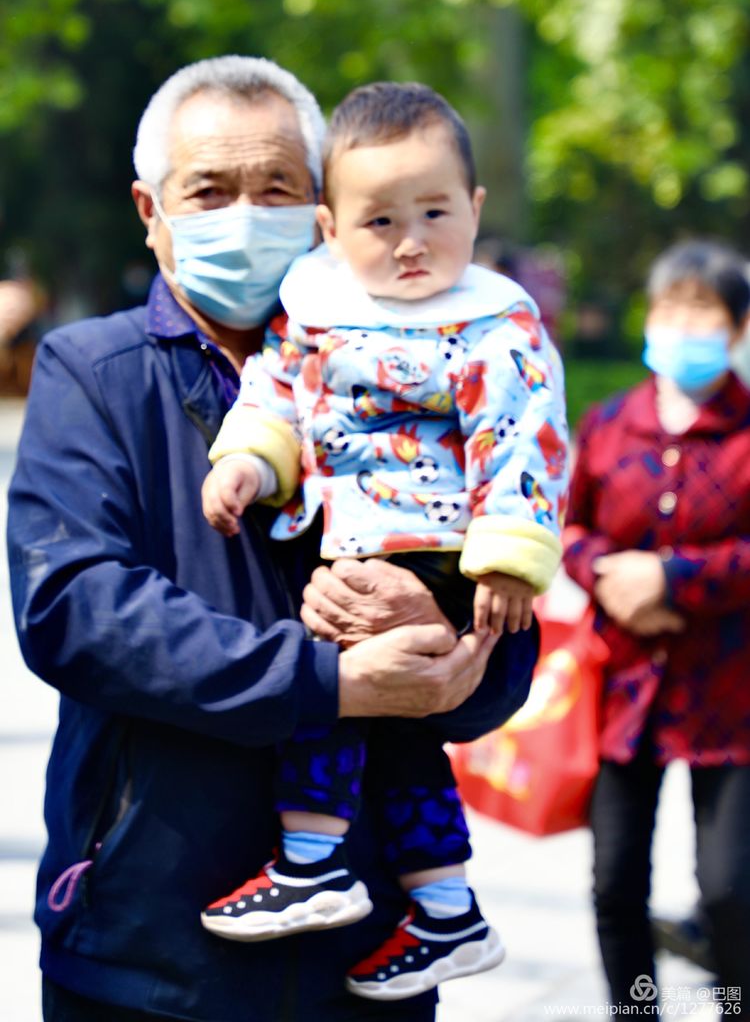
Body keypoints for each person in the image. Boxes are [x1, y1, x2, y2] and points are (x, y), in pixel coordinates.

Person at [6, 54, 541, 1022]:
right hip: (145, 943)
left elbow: (501, 654)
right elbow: (74, 611)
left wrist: (444, 621)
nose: (246, 217)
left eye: (278, 188)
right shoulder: (94, 371)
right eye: (210, 191)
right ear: (151, 210)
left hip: (366, 956)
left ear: (322, 211)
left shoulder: (437, 369)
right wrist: (327, 681)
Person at [199, 81, 568, 1000]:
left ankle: (312, 863)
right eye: (380, 221)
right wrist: (247, 460)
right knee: (397, 739)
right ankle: (446, 908)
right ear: (331, 228)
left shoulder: (490, 324)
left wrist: (509, 557)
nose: (411, 242)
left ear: (474, 208)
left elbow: (525, 437)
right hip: (356, 544)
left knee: (331, 696)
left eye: (435, 213)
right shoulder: (319, 307)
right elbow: (276, 389)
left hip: (448, 553)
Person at [563, 239, 750, 1011]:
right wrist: (608, 576)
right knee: (615, 884)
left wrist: (673, 579)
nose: (683, 326)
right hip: (624, 692)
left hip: (731, 694)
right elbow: (569, 529)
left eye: (702, 311)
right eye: (670, 308)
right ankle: (634, 1008)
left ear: (738, 327)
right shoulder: (610, 425)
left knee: (731, 890)